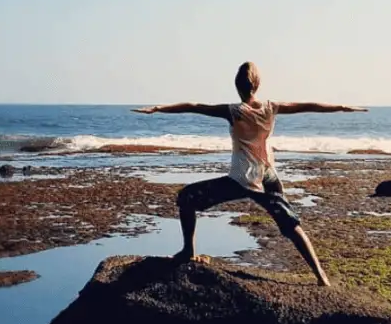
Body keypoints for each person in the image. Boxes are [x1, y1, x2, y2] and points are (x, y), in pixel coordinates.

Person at [133, 61, 367, 286]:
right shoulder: (271, 107)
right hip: (268, 174)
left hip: (244, 178)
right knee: (290, 224)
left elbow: (194, 107)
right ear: (257, 85)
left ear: (237, 86)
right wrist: (342, 107)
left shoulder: (234, 111)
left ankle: (187, 251)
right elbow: (309, 106)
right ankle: (320, 275)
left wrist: (158, 109)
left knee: (186, 198)